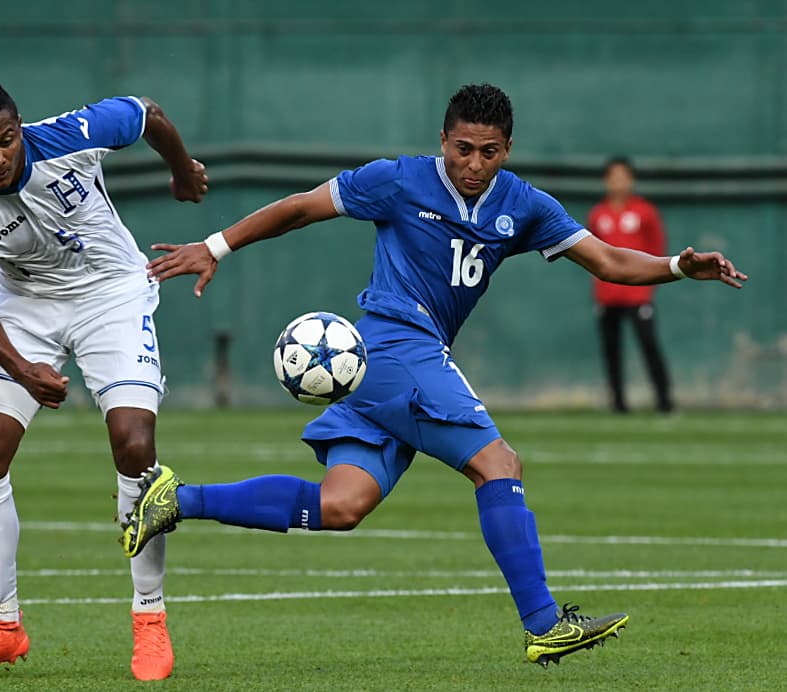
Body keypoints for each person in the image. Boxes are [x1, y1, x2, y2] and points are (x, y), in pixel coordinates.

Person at [121, 83, 747, 668]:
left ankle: (177, 499)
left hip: (382, 366)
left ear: (507, 150)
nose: (474, 163)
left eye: (489, 152)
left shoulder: (523, 205)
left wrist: (675, 265)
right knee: (498, 464)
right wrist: (216, 246)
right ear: (443, 140)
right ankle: (543, 623)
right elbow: (301, 207)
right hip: (397, 346)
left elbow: (609, 260)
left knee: (342, 506)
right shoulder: (397, 180)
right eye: (463, 149)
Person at [0, 77, 208, 680]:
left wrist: (181, 170)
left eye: (6, 140)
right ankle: (1, 624)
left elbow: (147, 110)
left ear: (19, 127)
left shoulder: (73, 137)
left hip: (113, 295)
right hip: (25, 309)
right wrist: (21, 369)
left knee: (135, 444)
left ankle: (149, 619)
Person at [587, 157, 674, 412]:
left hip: (638, 295)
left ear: (631, 180)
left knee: (649, 345)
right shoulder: (598, 214)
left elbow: (657, 249)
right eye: (613, 178)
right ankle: (618, 403)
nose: (618, 183)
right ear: (606, 181)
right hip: (608, 296)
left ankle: (664, 401)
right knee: (611, 350)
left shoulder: (645, 212)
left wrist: (648, 286)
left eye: (623, 177)